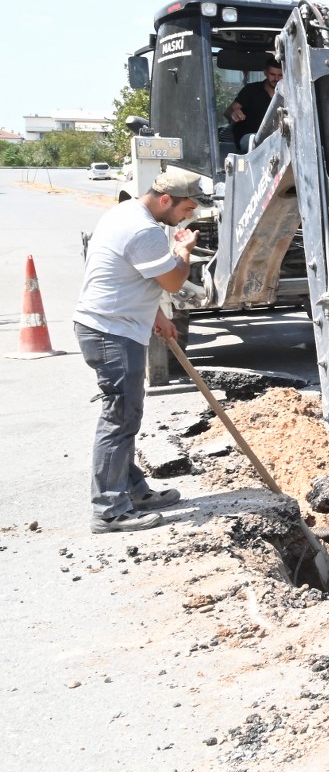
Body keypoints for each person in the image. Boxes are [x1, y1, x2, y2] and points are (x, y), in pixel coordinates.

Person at [73, 170, 209, 533]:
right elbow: (173, 280)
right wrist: (183, 252)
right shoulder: (144, 231)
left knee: (127, 415)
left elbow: (131, 275)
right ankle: (109, 510)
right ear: (166, 200)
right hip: (111, 332)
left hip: (112, 325)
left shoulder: (124, 212)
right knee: (119, 419)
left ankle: (132, 490)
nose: (188, 217)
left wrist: (156, 314)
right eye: (187, 209)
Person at [227, 57, 283, 149]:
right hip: (252, 138)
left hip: (280, 138)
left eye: (280, 75)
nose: (276, 78)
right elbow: (229, 110)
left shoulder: (290, 94)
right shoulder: (251, 90)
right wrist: (234, 113)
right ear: (265, 73)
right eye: (272, 74)